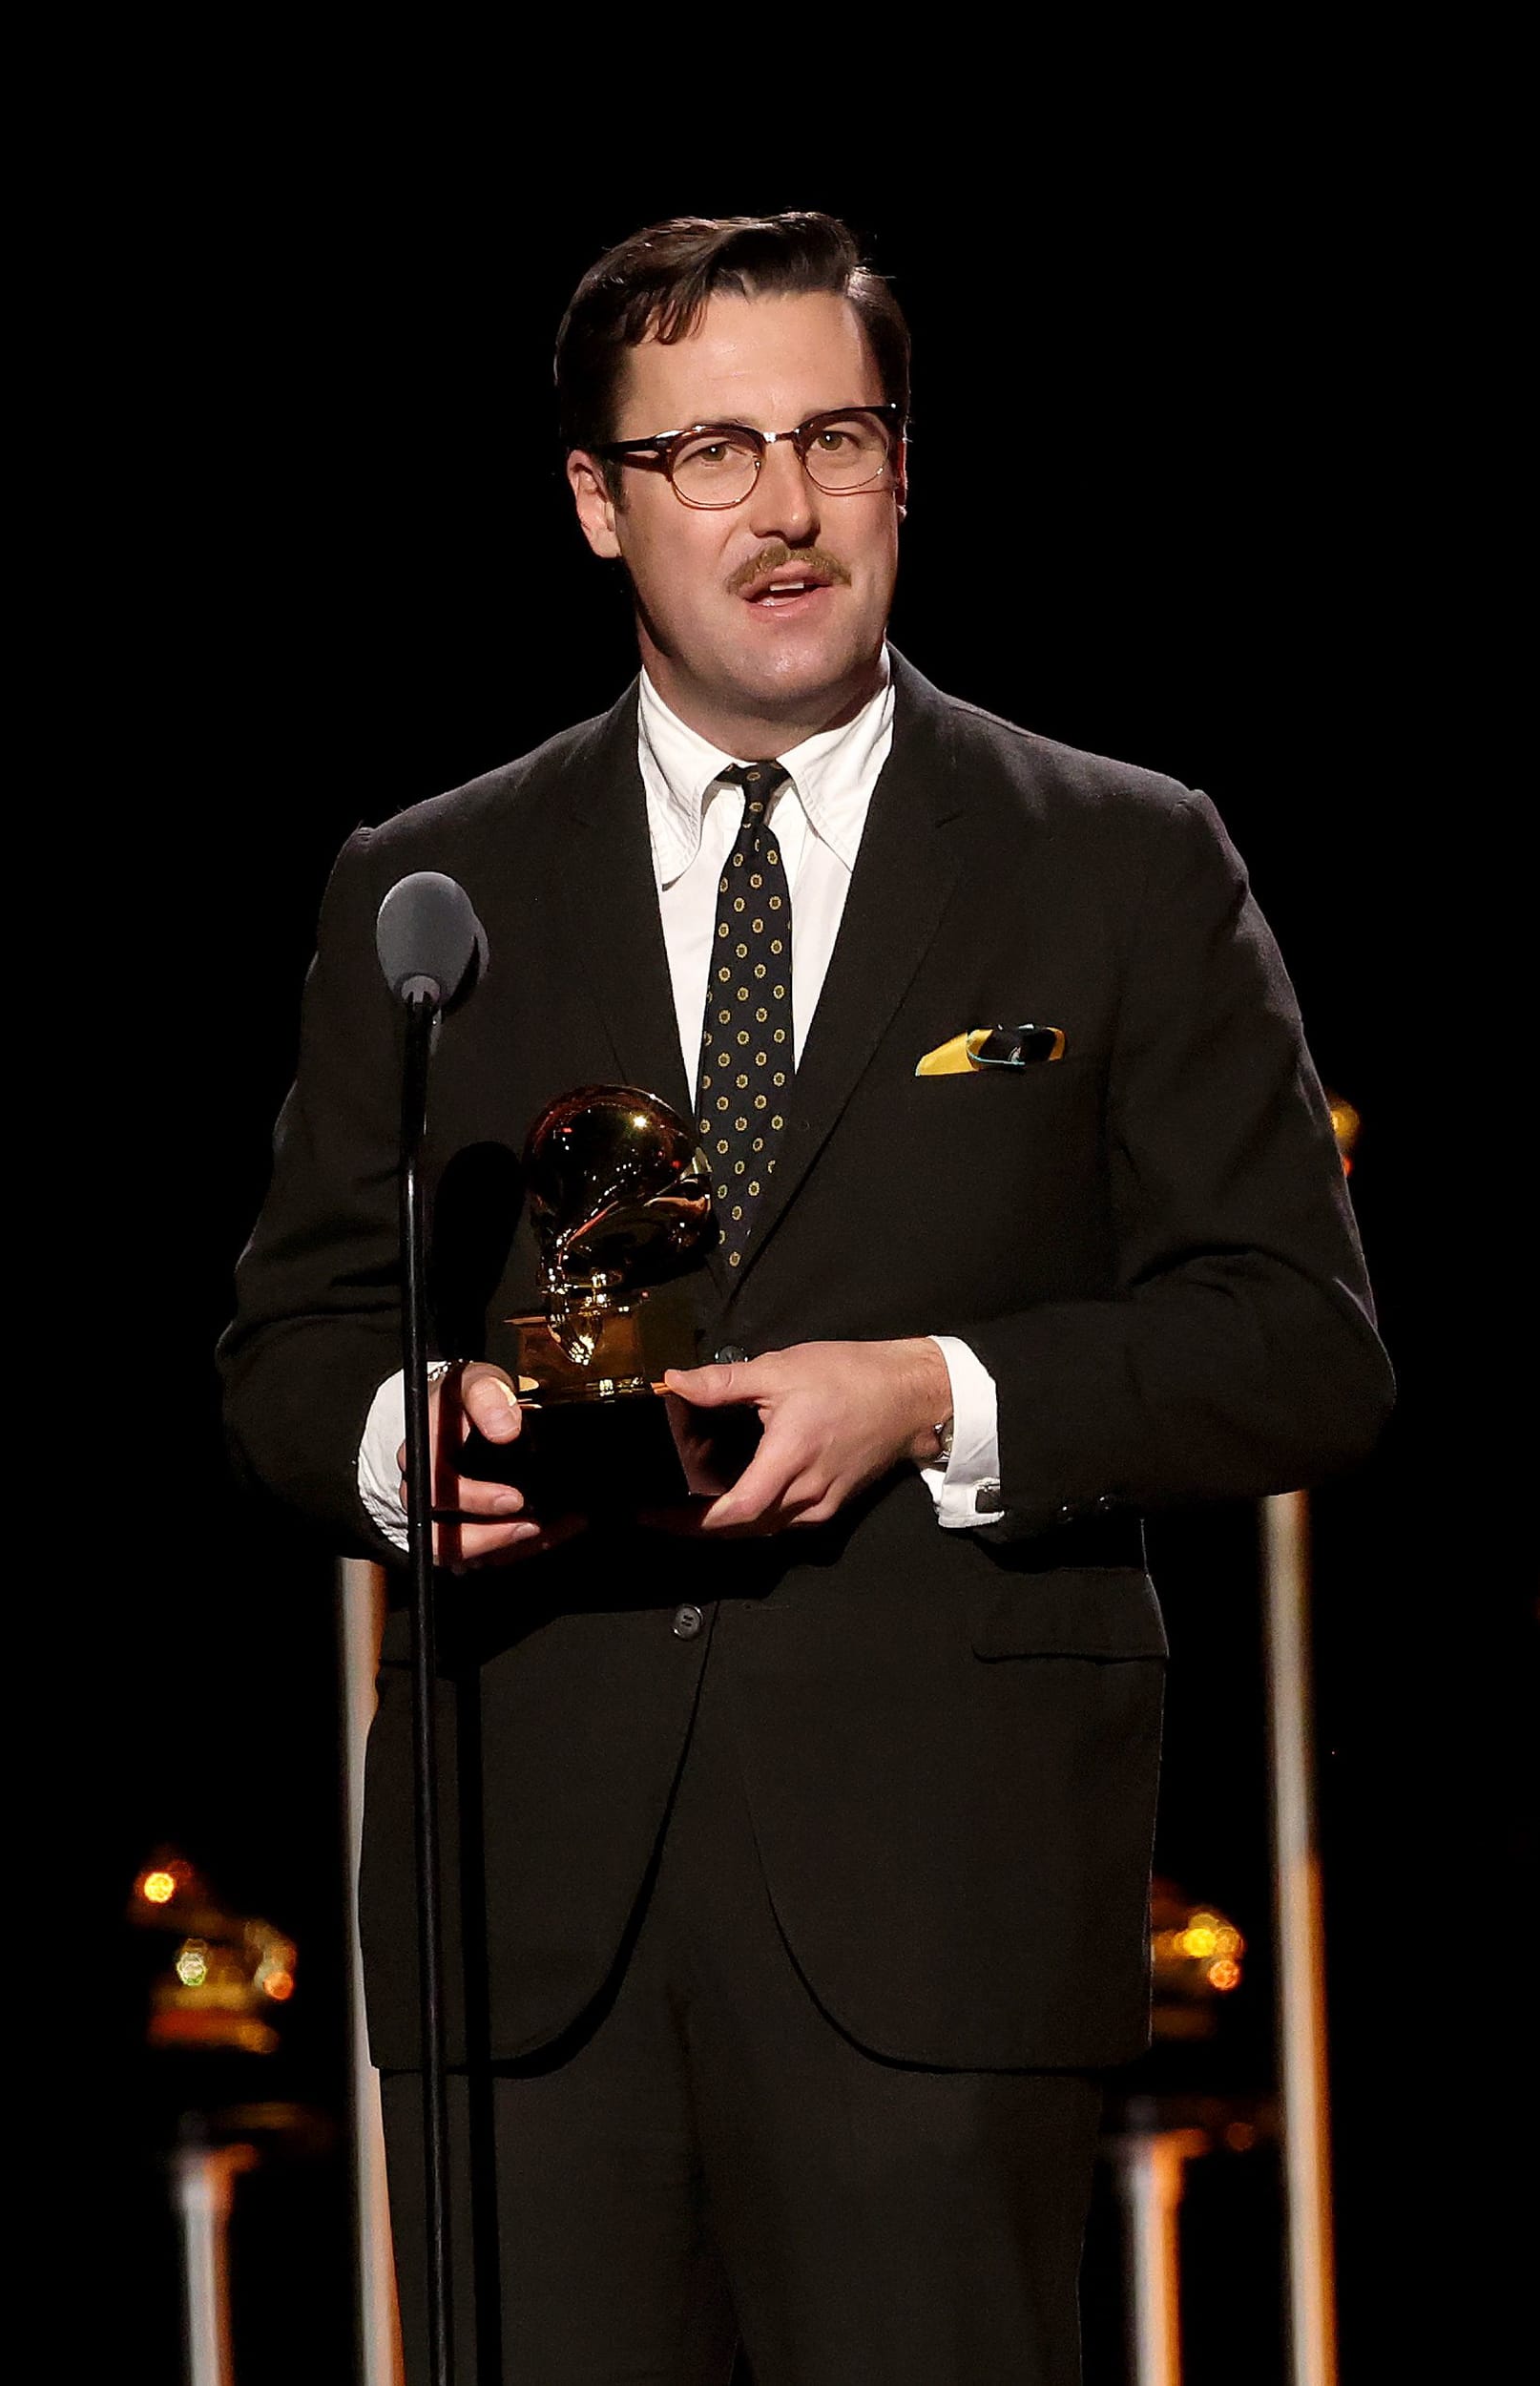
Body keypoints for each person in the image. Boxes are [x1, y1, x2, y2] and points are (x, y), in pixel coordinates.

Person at [219, 212, 1392, 2385]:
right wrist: (421, 1443)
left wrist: (932, 1395)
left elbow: (1300, 1345)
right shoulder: (427, 887)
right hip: (526, 1910)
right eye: (708, 453)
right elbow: (284, 1350)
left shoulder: (1116, 857)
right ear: (594, 498)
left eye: (831, 437)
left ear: (902, 464)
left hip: (935, 1900)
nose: (781, 508)